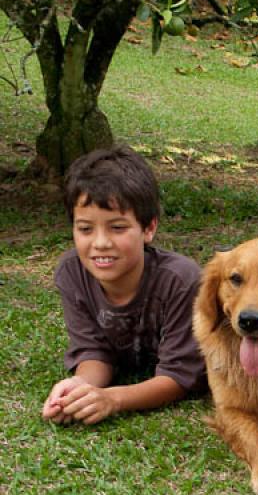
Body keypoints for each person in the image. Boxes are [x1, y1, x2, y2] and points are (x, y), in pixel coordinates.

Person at [42, 145, 207, 425]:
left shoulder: (181, 281)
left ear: (148, 228)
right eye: (85, 229)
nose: (101, 243)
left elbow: (178, 379)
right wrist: (80, 388)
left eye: (117, 228)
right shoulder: (73, 273)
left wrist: (113, 399)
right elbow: (95, 352)